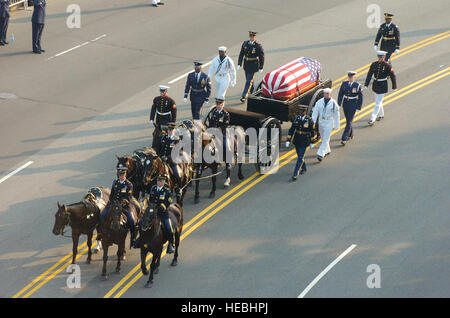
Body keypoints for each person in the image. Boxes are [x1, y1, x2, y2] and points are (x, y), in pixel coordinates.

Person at [99, 164, 137, 248]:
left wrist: (121, 203)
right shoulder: (115, 182)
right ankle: (101, 233)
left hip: (124, 206)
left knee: (131, 220)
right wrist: (112, 202)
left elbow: (128, 197)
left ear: (125, 174)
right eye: (119, 174)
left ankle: (133, 239)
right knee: (102, 215)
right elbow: (112, 194)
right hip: (113, 205)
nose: (121, 176)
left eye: (122, 174)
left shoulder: (129, 184)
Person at [139, 174, 174, 254]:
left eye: (161, 181)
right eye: (158, 180)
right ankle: (139, 240)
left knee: (169, 228)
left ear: (164, 181)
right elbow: (150, 199)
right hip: (152, 212)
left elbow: (168, 201)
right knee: (141, 223)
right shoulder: (153, 188)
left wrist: (162, 207)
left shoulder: (167, 190)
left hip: (162, 213)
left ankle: (171, 244)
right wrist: (146, 204)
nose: (159, 182)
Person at [364, 51, 397, 126]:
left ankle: (372, 119)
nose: (379, 59)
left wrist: (394, 86)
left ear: (384, 57)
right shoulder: (374, 64)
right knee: (378, 101)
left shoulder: (387, 66)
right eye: (379, 57)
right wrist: (366, 84)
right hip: (376, 84)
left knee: (377, 103)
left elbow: (392, 76)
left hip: (382, 85)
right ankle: (381, 114)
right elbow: (369, 74)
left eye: (381, 57)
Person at [207, 98, 232, 186]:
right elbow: (210, 124)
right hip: (213, 134)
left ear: (222, 105)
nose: (218, 106)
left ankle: (228, 171)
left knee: (226, 147)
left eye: (219, 104)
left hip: (223, 135)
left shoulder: (225, 114)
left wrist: (216, 132)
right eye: (217, 104)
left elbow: (225, 126)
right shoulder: (214, 113)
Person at [311, 88, 340, 161]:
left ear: (330, 94)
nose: (326, 95)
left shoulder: (333, 103)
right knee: (323, 137)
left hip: (329, 122)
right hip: (321, 122)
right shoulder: (319, 102)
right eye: (325, 93)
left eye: (328, 93)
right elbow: (315, 112)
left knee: (326, 138)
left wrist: (337, 125)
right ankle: (327, 150)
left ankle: (320, 154)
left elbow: (336, 115)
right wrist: (313, 122)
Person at [286, 108, 314, 181]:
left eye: (302, 112)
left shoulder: (309, 120)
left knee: (300, 157)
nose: (300, 113)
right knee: (299, 156)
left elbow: (312, 131)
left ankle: (295, 174)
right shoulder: (296, 119)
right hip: (297, 139)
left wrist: (312, 141)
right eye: (299, 112)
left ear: (305, 112)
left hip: (304, 140)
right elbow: (292, 129)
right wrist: (288, 139)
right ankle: (304, 168)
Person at [237, 31, 265, 103]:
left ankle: (244, 96)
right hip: (246, 64)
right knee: (249, 81)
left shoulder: (257, 46)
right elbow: (241, 53)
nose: (251, 38)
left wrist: (261, 67)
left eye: (253, 37)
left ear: (255, 37)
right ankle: (253, 91)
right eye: (250, 36)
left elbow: (261, 56)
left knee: (248, 81)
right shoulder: (245, 43)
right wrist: (239, 63)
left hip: (253, 65)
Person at [337, 71, 363, 145]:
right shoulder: (344, 84)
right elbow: (340, 94)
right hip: (345, 103)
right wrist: (339, 104)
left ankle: (344, 138)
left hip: (353, 104)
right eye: (349, 77)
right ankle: (351, 133)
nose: (350, 78)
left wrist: (358, 107)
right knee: (348, 120)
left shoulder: (357, 85)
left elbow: (361, 97)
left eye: (351, 77)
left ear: (354, 78)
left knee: (349, 122)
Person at [158, 122, 182, 195]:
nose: (170, 131)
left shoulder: (177, 140)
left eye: (171, 130)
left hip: (173, 161)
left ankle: (179, 188)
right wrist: (159, 157)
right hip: (163, 160)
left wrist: (168, 158)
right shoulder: (164, 138)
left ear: (174, 130)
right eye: (168, 130)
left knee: (177, 174)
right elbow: (160, 149)